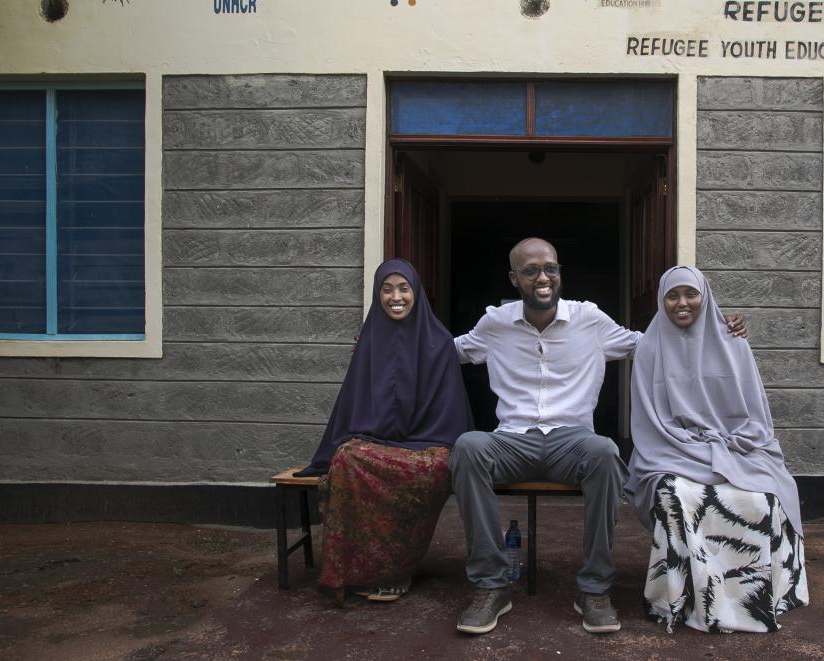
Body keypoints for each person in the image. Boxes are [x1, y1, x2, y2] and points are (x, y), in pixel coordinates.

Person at [450, 238, 747, 635]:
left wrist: (717, 328)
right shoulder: (495, 324)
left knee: (606, 452)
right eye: (531, 271)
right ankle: (491, 586)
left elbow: (650, 344)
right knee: (468, 447)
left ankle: (594, 588)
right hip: (512, 441)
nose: (543, 277)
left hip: (573, 443)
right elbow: (445, 352)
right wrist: (387, 338)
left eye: (550, 269)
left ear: (559, 273)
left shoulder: (589, 319)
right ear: (514, 278)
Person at [625, 265, 808, 634]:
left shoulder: (733, 341)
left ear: (705, 296)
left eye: (691, 294)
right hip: (672, 448)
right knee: (677, 494)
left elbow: (755, 416)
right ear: (661, 300)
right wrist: (692, 445)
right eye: (672, 295)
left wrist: (728, 443)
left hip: (734, 445)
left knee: (764, 497)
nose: (682, 303)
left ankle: (751, 595)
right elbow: (649, 423)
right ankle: (685, 595)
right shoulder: (648, 347)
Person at [296, 259, 470, 605]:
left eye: (404, 288)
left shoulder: (439, 342)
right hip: (379, 444)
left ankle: (395, 569)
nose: (396, 297)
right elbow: (352, 402)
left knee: (428, 466)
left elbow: (449, 413)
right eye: (387, 289)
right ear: (378, 295)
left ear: (416, 293)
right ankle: (357, 571)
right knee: (347, 458)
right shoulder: (370, 341)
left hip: (429, 446)